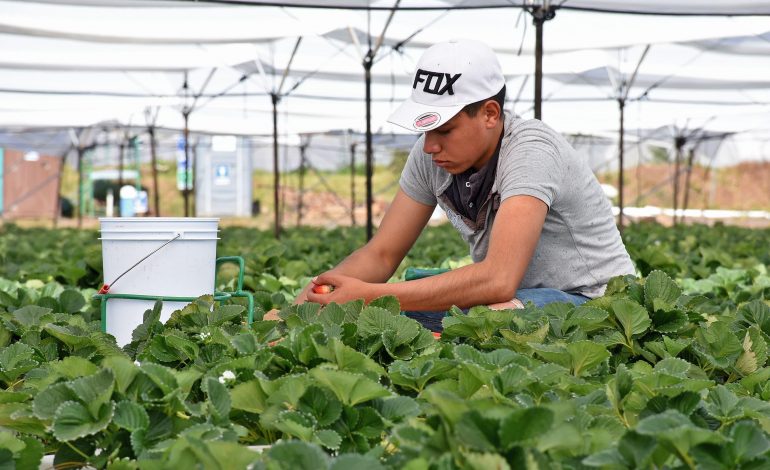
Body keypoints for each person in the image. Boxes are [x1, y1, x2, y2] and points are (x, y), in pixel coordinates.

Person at [268, 39, 635, 329]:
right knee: (415, 296)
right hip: (515, 294)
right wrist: (301, 309)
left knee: (490, 315)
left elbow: (498, 279)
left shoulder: (531, 151)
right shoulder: (430, 155)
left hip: (594, 300)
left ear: (490, 114)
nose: (430, 145)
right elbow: (380, 255)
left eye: (444, 129)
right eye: (426, 129)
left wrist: (369, 297)